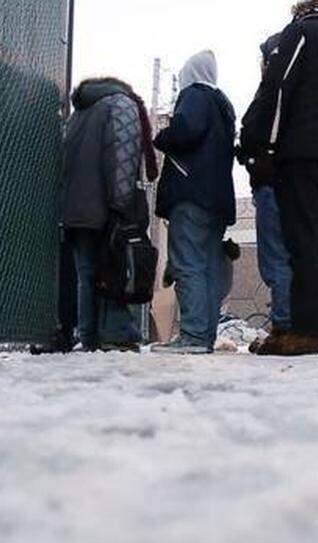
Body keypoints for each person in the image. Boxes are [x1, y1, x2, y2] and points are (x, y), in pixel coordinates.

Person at [239, 0, 318, 357]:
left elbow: (279, 89)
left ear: (300, 12)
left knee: (304, 239)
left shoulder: (298, 33)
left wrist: (267, 147)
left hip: (302, 153)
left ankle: (306, 331)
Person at [60, 77, 158, 351]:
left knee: (86, 274)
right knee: (114, 270)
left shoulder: (79, 113)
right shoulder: (121, 104)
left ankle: (89, 337)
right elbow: (123, 157)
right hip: (105, 205)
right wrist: (123, 205)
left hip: (76, 208)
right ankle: (115, 335)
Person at [150, 50, 237, 355]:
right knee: (209, 266)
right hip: (217, 199)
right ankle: (204, 334)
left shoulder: (194, 96)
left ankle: (193, 335)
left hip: (190, 193)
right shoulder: (223, 106)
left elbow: (186, 130)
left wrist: (162, 137)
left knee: (187, 262)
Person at [239, 33, 294, 353]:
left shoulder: (272, 91)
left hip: (270, 180)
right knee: (288, 256)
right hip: (293, 182)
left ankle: (283, 325)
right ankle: (289, 322)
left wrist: (249, 154)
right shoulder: (301, 90)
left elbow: (254, 130)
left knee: (275, 258)